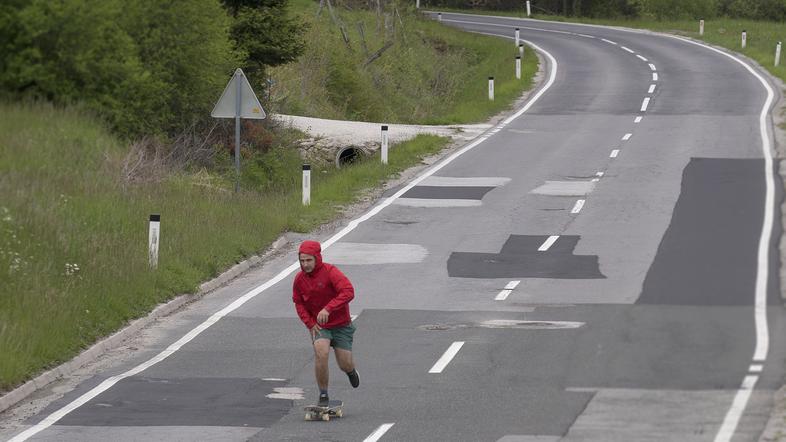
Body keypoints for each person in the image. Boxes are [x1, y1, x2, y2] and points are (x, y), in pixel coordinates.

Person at [293, 240, 360, 406]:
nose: (305, 264)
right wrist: (309, 323)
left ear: (317, 258)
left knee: (345, 363)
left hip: (341, 324)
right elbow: (298, 303)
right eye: (302, 261)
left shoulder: (331, 272)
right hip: (320, 326)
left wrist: (328, 309)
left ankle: (351, 371)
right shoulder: (299, 279)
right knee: (321, 352)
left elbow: (348, 291)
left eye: (309, 260)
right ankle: (323, 394)